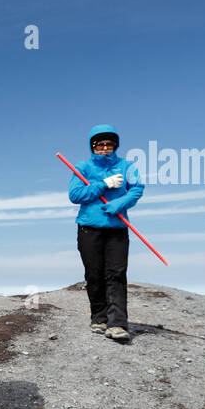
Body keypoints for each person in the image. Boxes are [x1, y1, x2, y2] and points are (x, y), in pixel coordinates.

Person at [67, 124, 144, 343]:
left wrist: (120, 203)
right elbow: (75, 194)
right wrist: (103, 184)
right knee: (94, 274)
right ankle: (99, 318)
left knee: (116, 274)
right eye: (99, 144)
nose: (104, 148)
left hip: (117, 229)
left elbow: (137, 189)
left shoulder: (127, 166)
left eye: (109, 144)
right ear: (92, 146)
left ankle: (117, 323)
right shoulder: (82, 167)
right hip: (88, 228)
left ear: (115, 145)